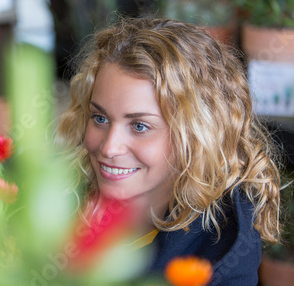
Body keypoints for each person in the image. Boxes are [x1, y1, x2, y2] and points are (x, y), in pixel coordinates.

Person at [56, 17, 281, 285]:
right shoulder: (56, 199)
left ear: (195, 135)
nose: (109, 147)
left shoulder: (220, 261)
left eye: (139, 126)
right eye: (100, 118)